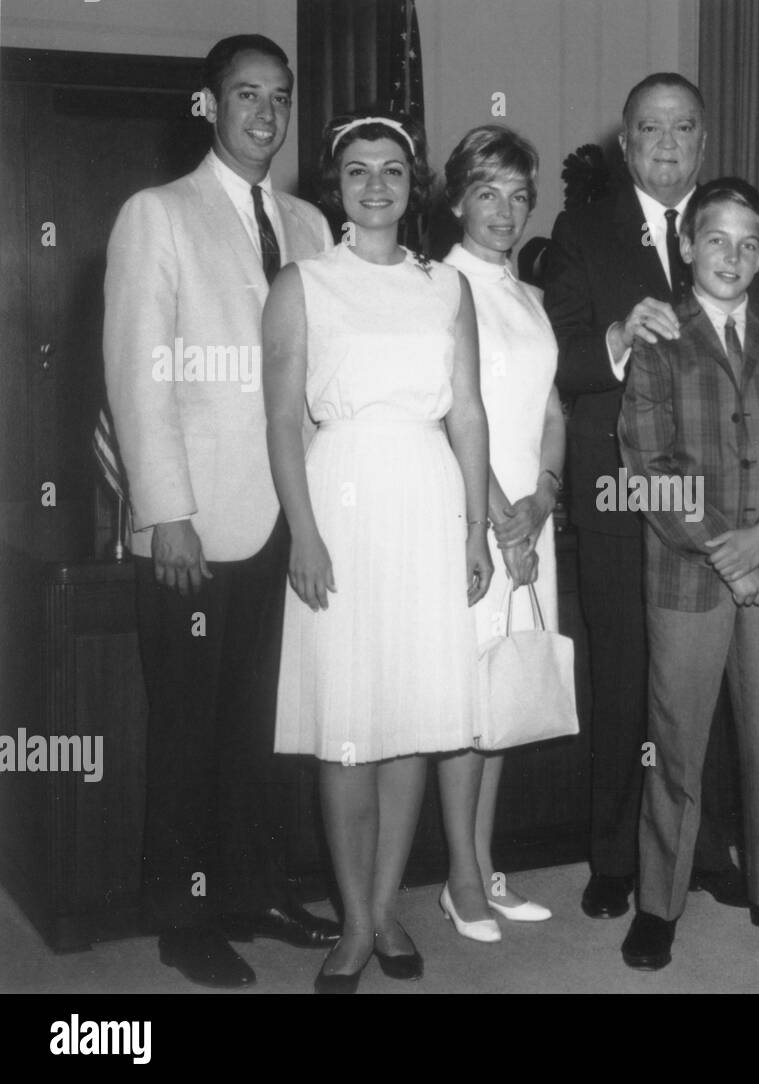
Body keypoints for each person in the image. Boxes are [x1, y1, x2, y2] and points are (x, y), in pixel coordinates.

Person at [543, 73, 759, 920]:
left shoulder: (737, 228)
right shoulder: (580, 229)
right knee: (629, 686)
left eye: (683, 127)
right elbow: (559, 356)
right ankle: (618, 860)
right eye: (650, 128)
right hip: (628, 493)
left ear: (702, 140)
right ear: (626, 144)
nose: (666, 142)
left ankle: (715, 852)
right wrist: (619, 340)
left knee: (734, 694)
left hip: (735, 508)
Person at [103, 34, 339, 989]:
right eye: (246, 95)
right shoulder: (157, 215)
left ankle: (256, 888)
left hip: (297, 513)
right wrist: (166, 510)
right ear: (210, 105)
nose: (266, 113)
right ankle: (185, 916)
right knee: (191, 722)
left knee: (267, 721)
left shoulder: (314, 225)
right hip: (199, 518)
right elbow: (137, 371)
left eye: (279, 96)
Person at [264, 111, 492, 991]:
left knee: (413, 724)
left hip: (427, 499)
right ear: (337, 185)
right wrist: (307, 532)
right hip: (341, 504)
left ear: (414, 182)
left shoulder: (446, 287)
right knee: (347, 725)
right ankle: (354, 922)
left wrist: (474, 528)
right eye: (357, 171)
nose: (375, 185)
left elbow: (466, 412)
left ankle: (389, 903)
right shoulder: (303, 283)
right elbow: (284, 418)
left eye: (392, 170)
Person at [617, 178, 759, 970]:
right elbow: (650, 467)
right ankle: (658, 903)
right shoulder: (657, 341)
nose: (733, 256)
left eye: (751, 244)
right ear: (686, 246)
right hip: (691, 578)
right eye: (716, 239)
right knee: (675, 744)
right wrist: (726, 549)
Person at [439, 124, 564, 934]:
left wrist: (542, 500)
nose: (506, 210)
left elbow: (552, 411)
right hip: (469, 514)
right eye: (488, 192)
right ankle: (460, 876)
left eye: (520, 195)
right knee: (467, 699)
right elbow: (454, 413)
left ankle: (483, 865)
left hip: (528, 516)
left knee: (508, 692)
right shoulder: (437, 286)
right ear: (456, 199)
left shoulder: (530, 294)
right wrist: (495, 517)